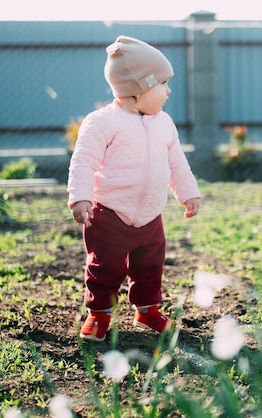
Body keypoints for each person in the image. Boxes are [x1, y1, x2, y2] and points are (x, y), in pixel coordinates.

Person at [67, 35, 202, 342]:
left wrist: (188, 193)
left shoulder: (164, 123)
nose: (168, 92)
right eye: (163, 84)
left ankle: (147, 310)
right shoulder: (101, 122)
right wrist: (80, 197)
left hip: (151, 215)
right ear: (139, 88)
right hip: (110, 214)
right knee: (105, 268)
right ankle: (99, 315)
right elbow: (84, 161)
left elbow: (176, 162)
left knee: (150, 267)